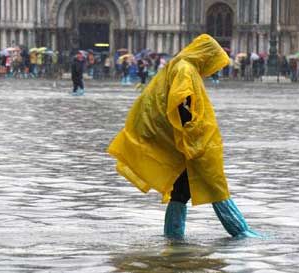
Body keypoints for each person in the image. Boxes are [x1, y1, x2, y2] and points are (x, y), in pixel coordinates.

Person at [108, 34, 263, 240]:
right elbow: (182, 102)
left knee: (183, 189)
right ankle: (239, 230)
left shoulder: (181, 66)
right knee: (213, 182)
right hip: (191, 140)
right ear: (205, 55)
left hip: (183, 139)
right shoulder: (185, 68)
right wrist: (190, 134)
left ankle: (173, 238)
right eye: (213, 61)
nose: (213, 67)